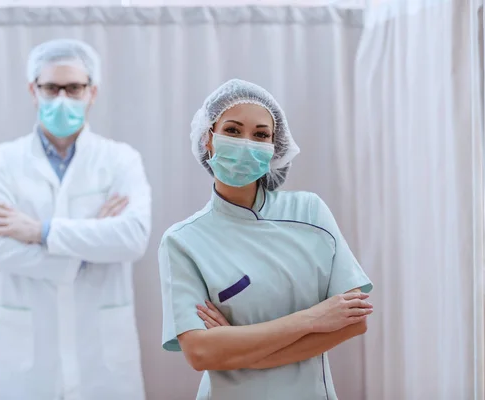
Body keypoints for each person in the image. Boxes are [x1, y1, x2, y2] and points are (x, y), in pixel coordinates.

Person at [158, 79, 374, 400]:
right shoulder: (182, 241)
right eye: (232, 130)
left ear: (276, 147)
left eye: (260, 135)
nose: (247, 143)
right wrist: (313, 318)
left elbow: (352, 322)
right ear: (208, 139)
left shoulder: (310, 211)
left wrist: (233, 346)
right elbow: (201, 354)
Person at [0, 39, 151, 400]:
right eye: (51, 87)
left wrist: (40, 231)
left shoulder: (121, 161)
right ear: (32, 90)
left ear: (92, 91)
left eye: (74, 87)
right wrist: (90, 247)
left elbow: (132, 238)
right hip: (28, 356)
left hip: (101, 354)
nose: (62, 98)